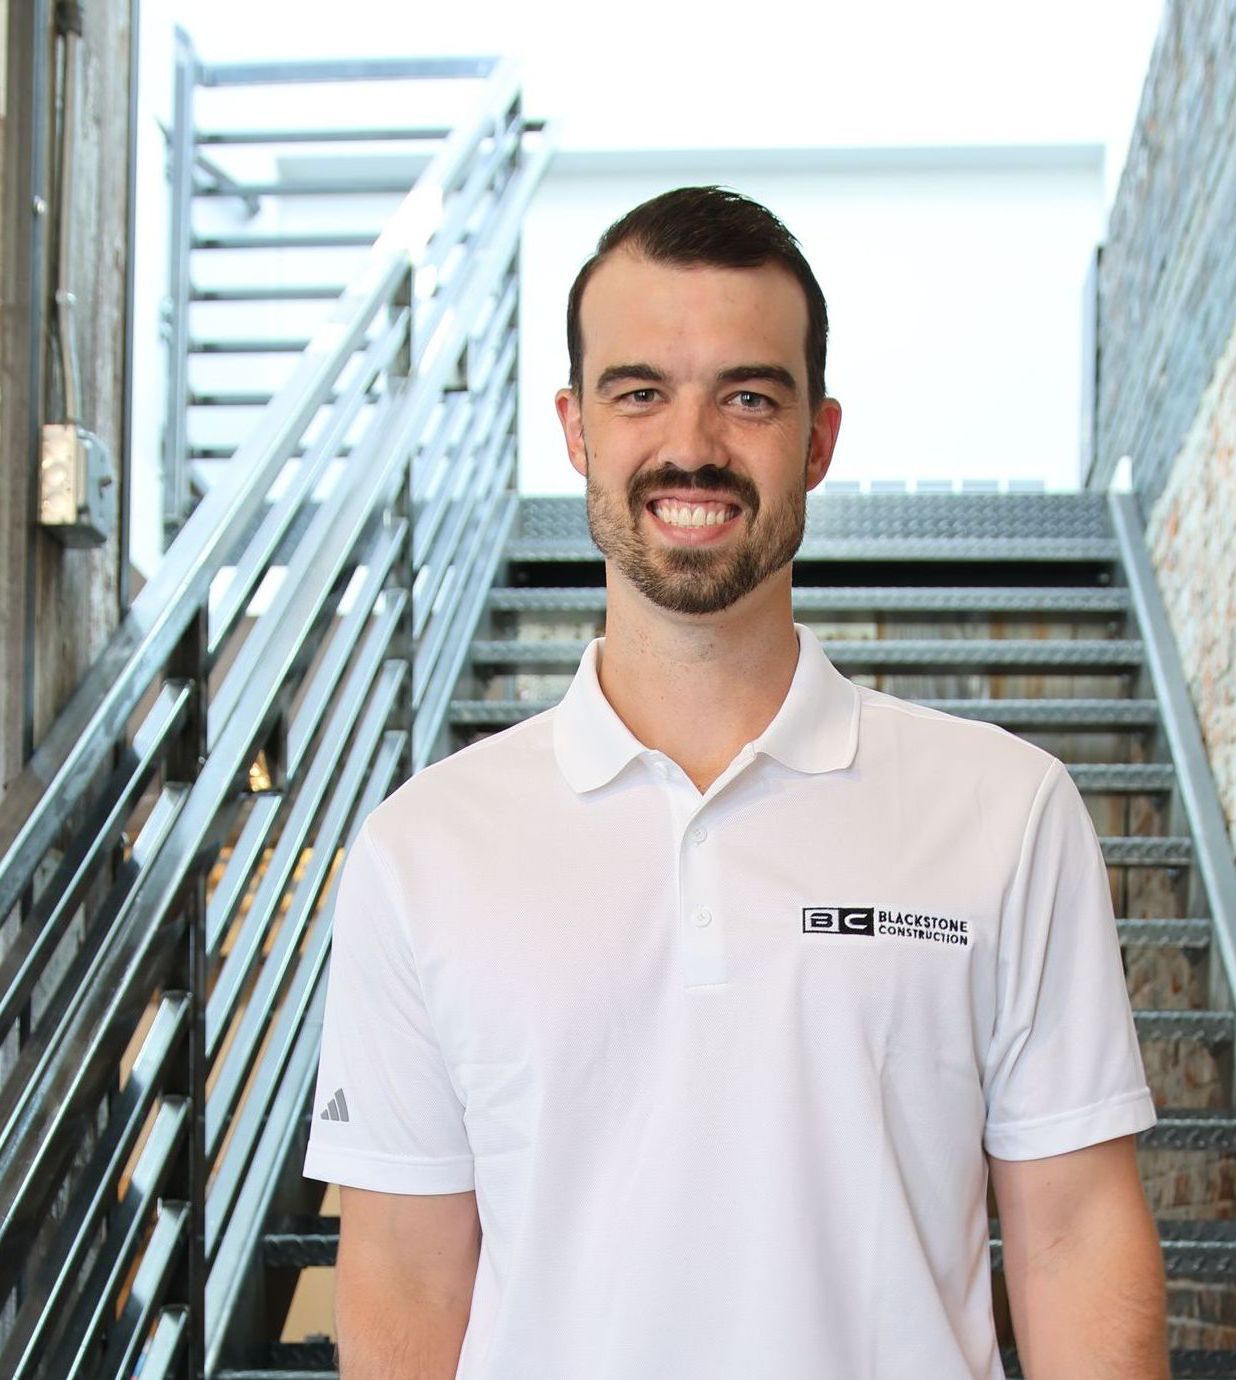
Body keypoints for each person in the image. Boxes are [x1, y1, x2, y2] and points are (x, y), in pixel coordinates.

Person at [304, 185, 1170, 1379]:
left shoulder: (1005, 814)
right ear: (576, 431)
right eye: (640, 392)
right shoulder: (425, 849)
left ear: (818, 437)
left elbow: (1074, 1237)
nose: (693, 445)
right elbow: (404, 1268)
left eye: (749, 397)